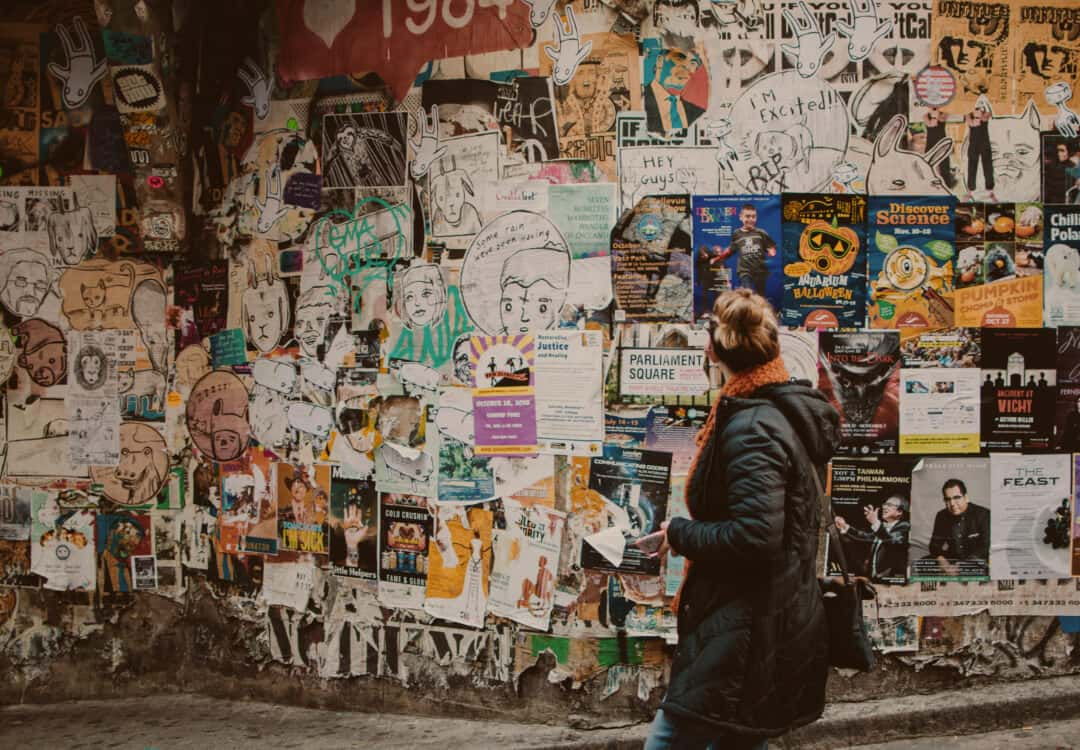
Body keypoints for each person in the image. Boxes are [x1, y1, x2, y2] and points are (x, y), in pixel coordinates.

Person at [641, 288, 838, 749]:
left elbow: (756, 536)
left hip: (745, 622)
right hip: (765, 615)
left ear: (713, 350)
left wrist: (681, 532)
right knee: (739, 737)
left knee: (672, 737)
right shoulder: (775, 410)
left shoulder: (752, 427)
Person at [834, 495, 911, 582]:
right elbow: (865, 537)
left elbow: (893, 542)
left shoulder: (904, 526)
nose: (884, 506)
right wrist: (845, 526)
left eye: (889, 505)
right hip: (873, 578)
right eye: (885, 504)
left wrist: (875, 522)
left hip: (890, 580)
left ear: (899, 511)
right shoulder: (883, 528)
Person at [927, 479, 990, 576]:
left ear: (966, 498)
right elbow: (934, 545)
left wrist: (961, 566)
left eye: (957, 498)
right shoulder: (941, 515)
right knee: (922, 563)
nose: (952, 503)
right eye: (948, 499)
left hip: (976, 560)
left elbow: (985, 547)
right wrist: (942, 561)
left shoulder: (983, 514)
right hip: (952, 560)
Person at [713, 203, 776, 298]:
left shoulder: (761, 233)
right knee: (747, 294)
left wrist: (772, 251)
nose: (750, 219)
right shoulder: (737, 234)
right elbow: (730, 250)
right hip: (744, 271)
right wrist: (718, 258)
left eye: (753, 217)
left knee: (760, 296)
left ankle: (759, 311)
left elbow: (771, 246)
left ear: (756, 217)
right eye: (747, 216)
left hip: (760, 270)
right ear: (741, 217)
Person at [644, 44, 705, 134]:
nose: (686, 68)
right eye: (680, 58)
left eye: (693, 63)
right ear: (660, 61)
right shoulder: (638, 100)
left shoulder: (699, 114)